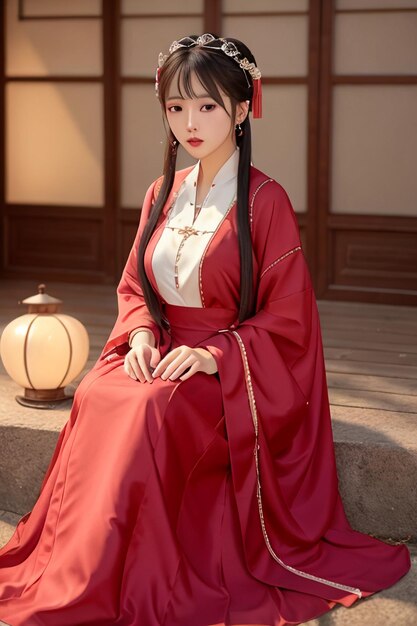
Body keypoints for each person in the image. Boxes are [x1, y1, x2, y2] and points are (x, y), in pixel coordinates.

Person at [0, 33, 411, 626]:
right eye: (176, 106)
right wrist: (139, 333)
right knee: (98, 391)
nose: (189, 121)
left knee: (150, 410)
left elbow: (289, 316)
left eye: (207, 106)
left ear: (242, 110)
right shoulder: (160, 192)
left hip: (228, 369)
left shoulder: (265, 201)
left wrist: (215, 353)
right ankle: (84, 563)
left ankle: (129, 570)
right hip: (159, 346)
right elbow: (135, 285)